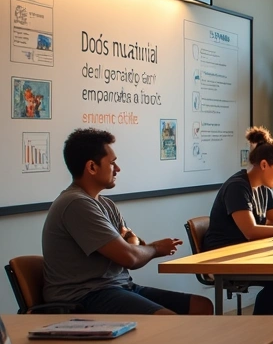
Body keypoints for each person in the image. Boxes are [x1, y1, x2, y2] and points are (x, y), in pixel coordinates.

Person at [41, 128, 213, 316]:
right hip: (85, 296)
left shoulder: (105, 204)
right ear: (92, 167)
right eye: (112, 163)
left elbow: (133, 244)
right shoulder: (76, 204)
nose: (118, 169)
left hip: (119, 286)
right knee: (168, 320)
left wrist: (134, 246)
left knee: (201, 306)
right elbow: (130, 257)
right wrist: (156, 248)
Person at [202, 127, 273, 315]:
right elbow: (251, 231)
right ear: (263, 165)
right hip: (224, 256)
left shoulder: (263, 187)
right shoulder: (237, 187)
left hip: (247, 252)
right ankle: (262, 329)